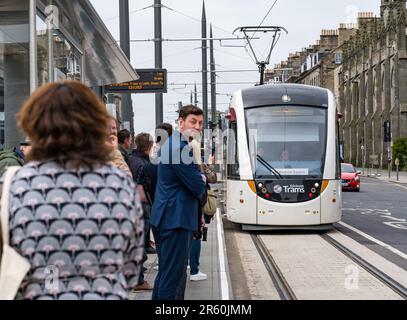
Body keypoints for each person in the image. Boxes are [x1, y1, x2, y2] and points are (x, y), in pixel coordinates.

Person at [1, 81, 144, 300]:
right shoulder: (120, 185)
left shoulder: (15, 186)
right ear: (94, 125)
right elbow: (132, 269)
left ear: (34, 125)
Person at [150, 106, 206, 300]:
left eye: (200, 123)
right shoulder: (180, 148)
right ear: (180, 122)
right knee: (173, 279)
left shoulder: (171, 144)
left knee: (165, 274)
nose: (197, 127)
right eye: (193, 121)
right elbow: (198, 186)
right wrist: (202, 178)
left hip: (166, 217)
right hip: (176, 220)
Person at [127, 133, 155, 291]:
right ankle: (138, 280)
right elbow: (144, 186)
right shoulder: (144, 164)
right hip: (141, 207)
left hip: (132, 205)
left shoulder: (130, 158)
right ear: (150, 146)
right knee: (139, 245)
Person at [189, 154, 217, 281]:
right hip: (197, 204)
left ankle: (189, 264)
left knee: (189, 235)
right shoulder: (197, 164)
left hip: (192, 204)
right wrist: (208, 166)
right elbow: (212, 179)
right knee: (196, 235)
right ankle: (194, 269)